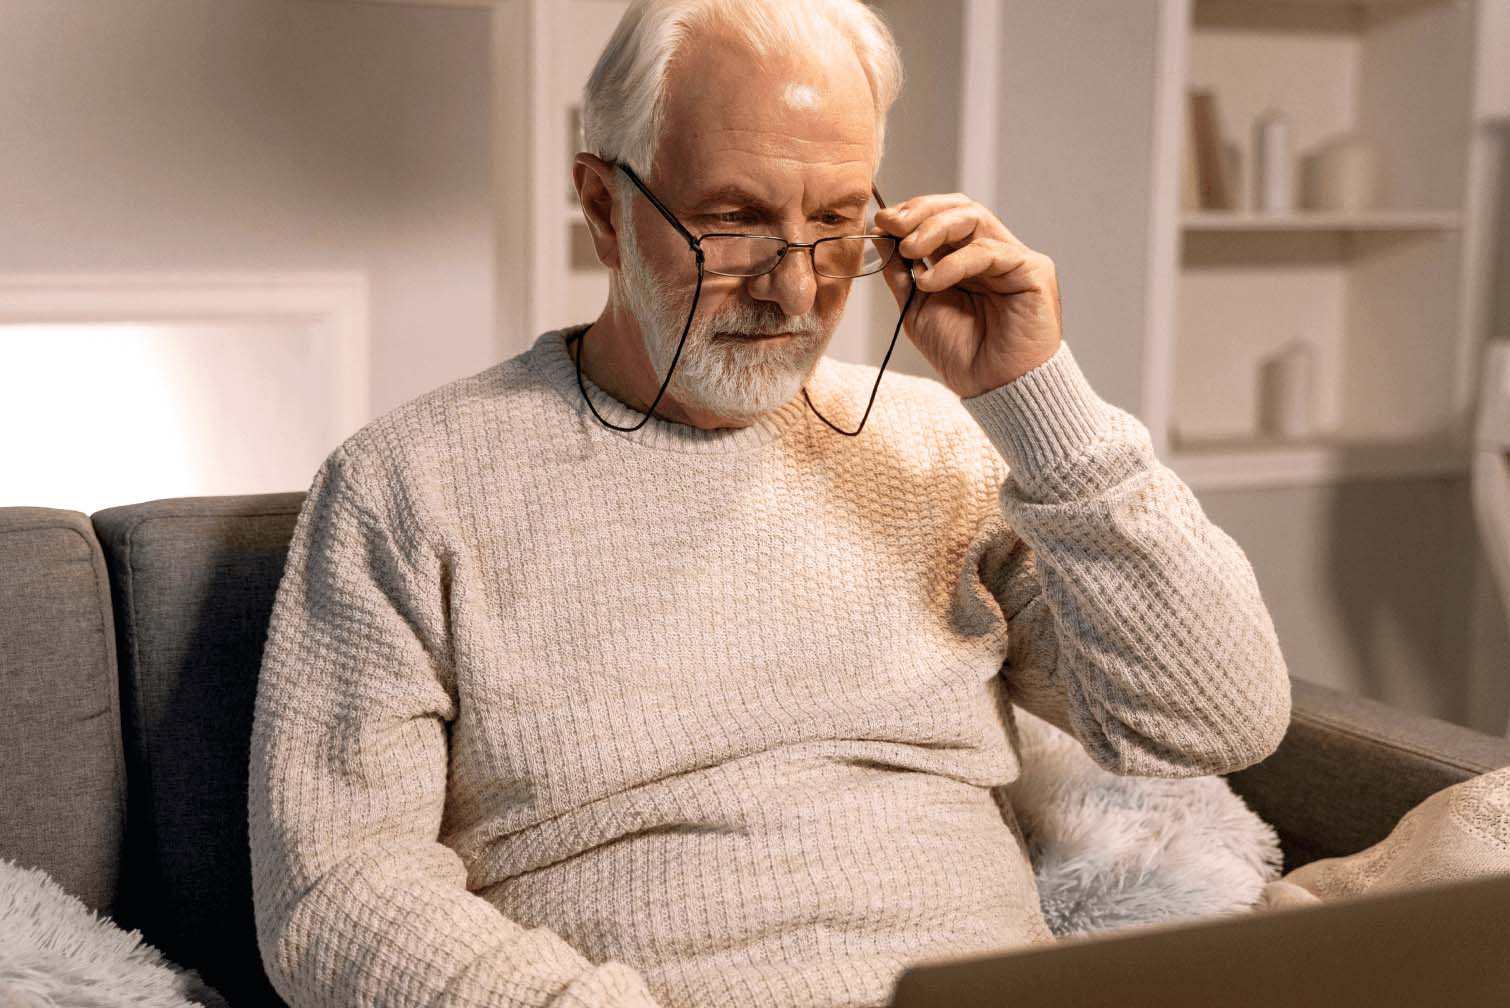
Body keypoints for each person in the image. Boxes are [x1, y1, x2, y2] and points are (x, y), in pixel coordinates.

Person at [247, 1, 1293, 1005]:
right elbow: (337, 888)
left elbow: (1217, 721)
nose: (793, 292)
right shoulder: (408, 483)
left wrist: (1036, 399)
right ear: (606, 208)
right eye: (734, 223)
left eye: (838, 223)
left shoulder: (937, 448)